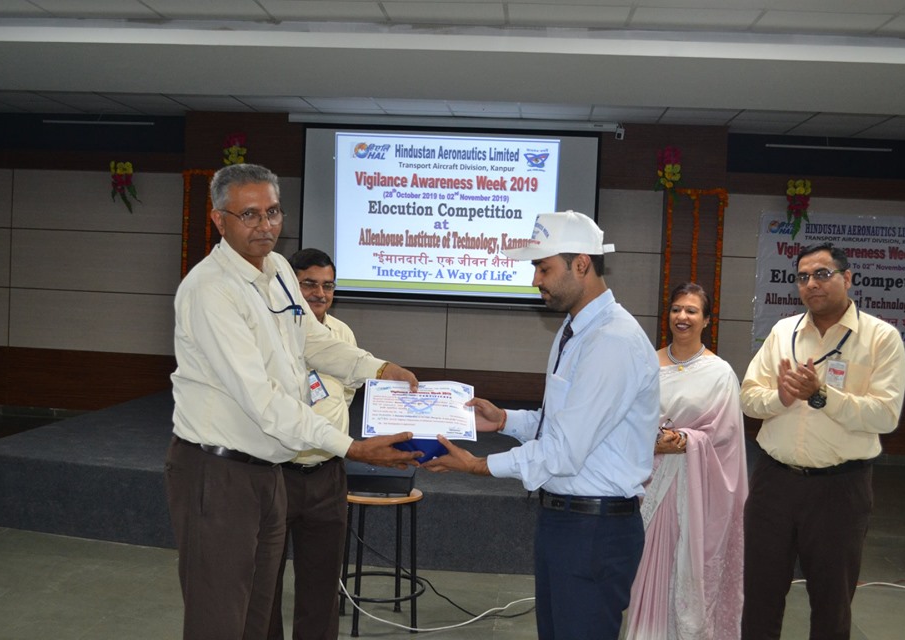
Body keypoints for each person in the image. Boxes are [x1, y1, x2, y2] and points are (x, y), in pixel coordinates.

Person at [165, 163, 422, 640]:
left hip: (268, 472)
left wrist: (378, 368)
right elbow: (262, 400)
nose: (265, 225)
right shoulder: (210, 291)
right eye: (249, 214)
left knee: (256, 619)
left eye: (273, 212)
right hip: (218, 473)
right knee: (219, 620)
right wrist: (351, 447)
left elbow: (312, 340)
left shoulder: (280, 269)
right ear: (219, 220)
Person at [425, 210, 660, 640]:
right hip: (567, 522)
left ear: (581, 264)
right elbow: (561, 424)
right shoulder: (575, 329)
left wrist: (478, 466)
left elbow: (564, 452)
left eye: (544, 267)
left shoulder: (612, 341)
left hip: (594, 530)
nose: (535, 279)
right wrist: (505, 420)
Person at [739, 242, 905, 640]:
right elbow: (748, 397)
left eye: (822, 274)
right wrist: (780, 397)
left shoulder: (880, 338)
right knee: (760, 595)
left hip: (840, 488)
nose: (811, 284)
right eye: (802, 277)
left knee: (831, 602)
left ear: (847, 278)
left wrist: (821, 395)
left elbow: (885, 414)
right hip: (773, 483)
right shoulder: (783, 332)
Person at [625, 283, 748, 640]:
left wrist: (685, 441)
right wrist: (653, 441)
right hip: (646, 483)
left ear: (707, 320)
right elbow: (626, 419)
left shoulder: (720, 374)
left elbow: (726, 438)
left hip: (695, 489)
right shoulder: (647, 364)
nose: (682, 316)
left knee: (685, 571)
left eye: (692, 311)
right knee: (644, 571)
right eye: (676, 309)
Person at [268, 248, 357, 640]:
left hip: (328, 477)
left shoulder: (342, 334)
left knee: (321, 589)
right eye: (309, 284)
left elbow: (345, 395)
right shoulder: (269, 335)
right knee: (263, 585)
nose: (320, 294)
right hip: (275, 475)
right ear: (291, 286)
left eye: (328, 286)